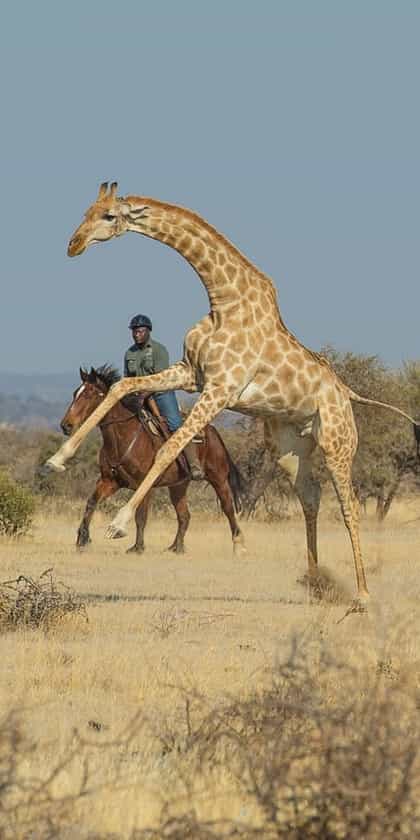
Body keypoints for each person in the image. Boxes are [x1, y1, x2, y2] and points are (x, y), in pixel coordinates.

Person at [124, 313, 204, 479]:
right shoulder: (129, 353)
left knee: (175, 424)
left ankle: (194, 464)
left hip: (161, 393)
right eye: (134, 331)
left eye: (140, 331)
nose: (136, 334)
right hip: (138, 395)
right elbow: (127, 378)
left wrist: (145, 394)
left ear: (148, 331)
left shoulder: (159, 350)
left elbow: (161, 379)